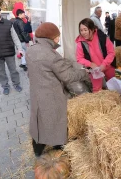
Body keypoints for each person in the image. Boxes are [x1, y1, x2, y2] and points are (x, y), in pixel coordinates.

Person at [26, 22, 88, 157]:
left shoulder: (31, 50)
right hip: (51, 94)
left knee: (39, 119)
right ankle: (58, 145)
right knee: (55, 120)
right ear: (51, 38)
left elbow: (31, 72)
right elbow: (68, 76)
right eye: (57, 37)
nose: (58, 39)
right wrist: (84, 73)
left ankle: (37, 149)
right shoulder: (51, 55)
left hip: (36, 93)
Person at [76, 18, 115, 92]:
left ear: (92, 29)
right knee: (97, 90)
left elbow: (111, 52)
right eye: (81, 30)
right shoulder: (80, 43)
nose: (83, 33)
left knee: (114, 85)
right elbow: (79, 58)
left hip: (107, 65)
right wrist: (90, 64)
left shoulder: (102, 37)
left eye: (85, 30)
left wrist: (104, 64)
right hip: (94, 69)